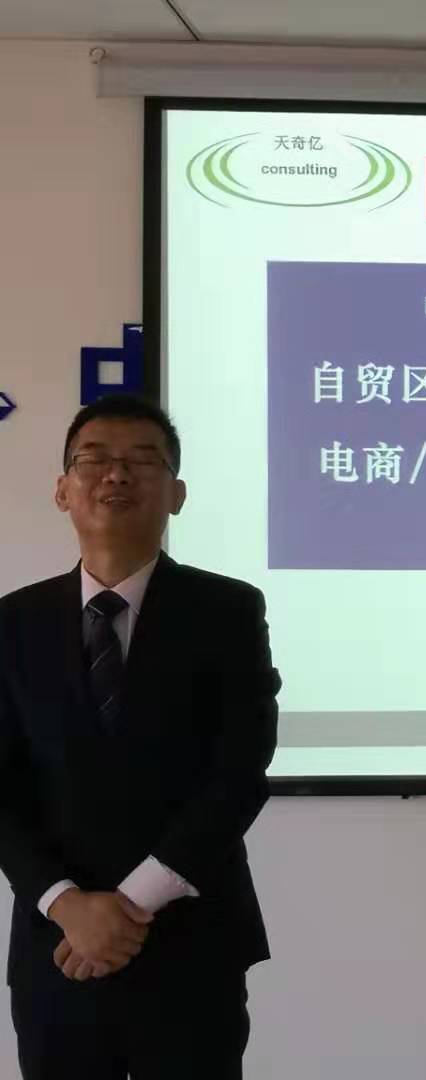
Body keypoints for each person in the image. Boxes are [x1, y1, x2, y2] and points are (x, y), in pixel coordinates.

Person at [0, 393, 279, 1079]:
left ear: (176, 494)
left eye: (142, 461)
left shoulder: (228, 611)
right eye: (93, 459)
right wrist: (67, 904)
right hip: (58, 946)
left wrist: (129, 906)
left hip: (190, 945)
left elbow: (239, 773)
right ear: (63, 490)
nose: (116, 474)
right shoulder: (12, 623)